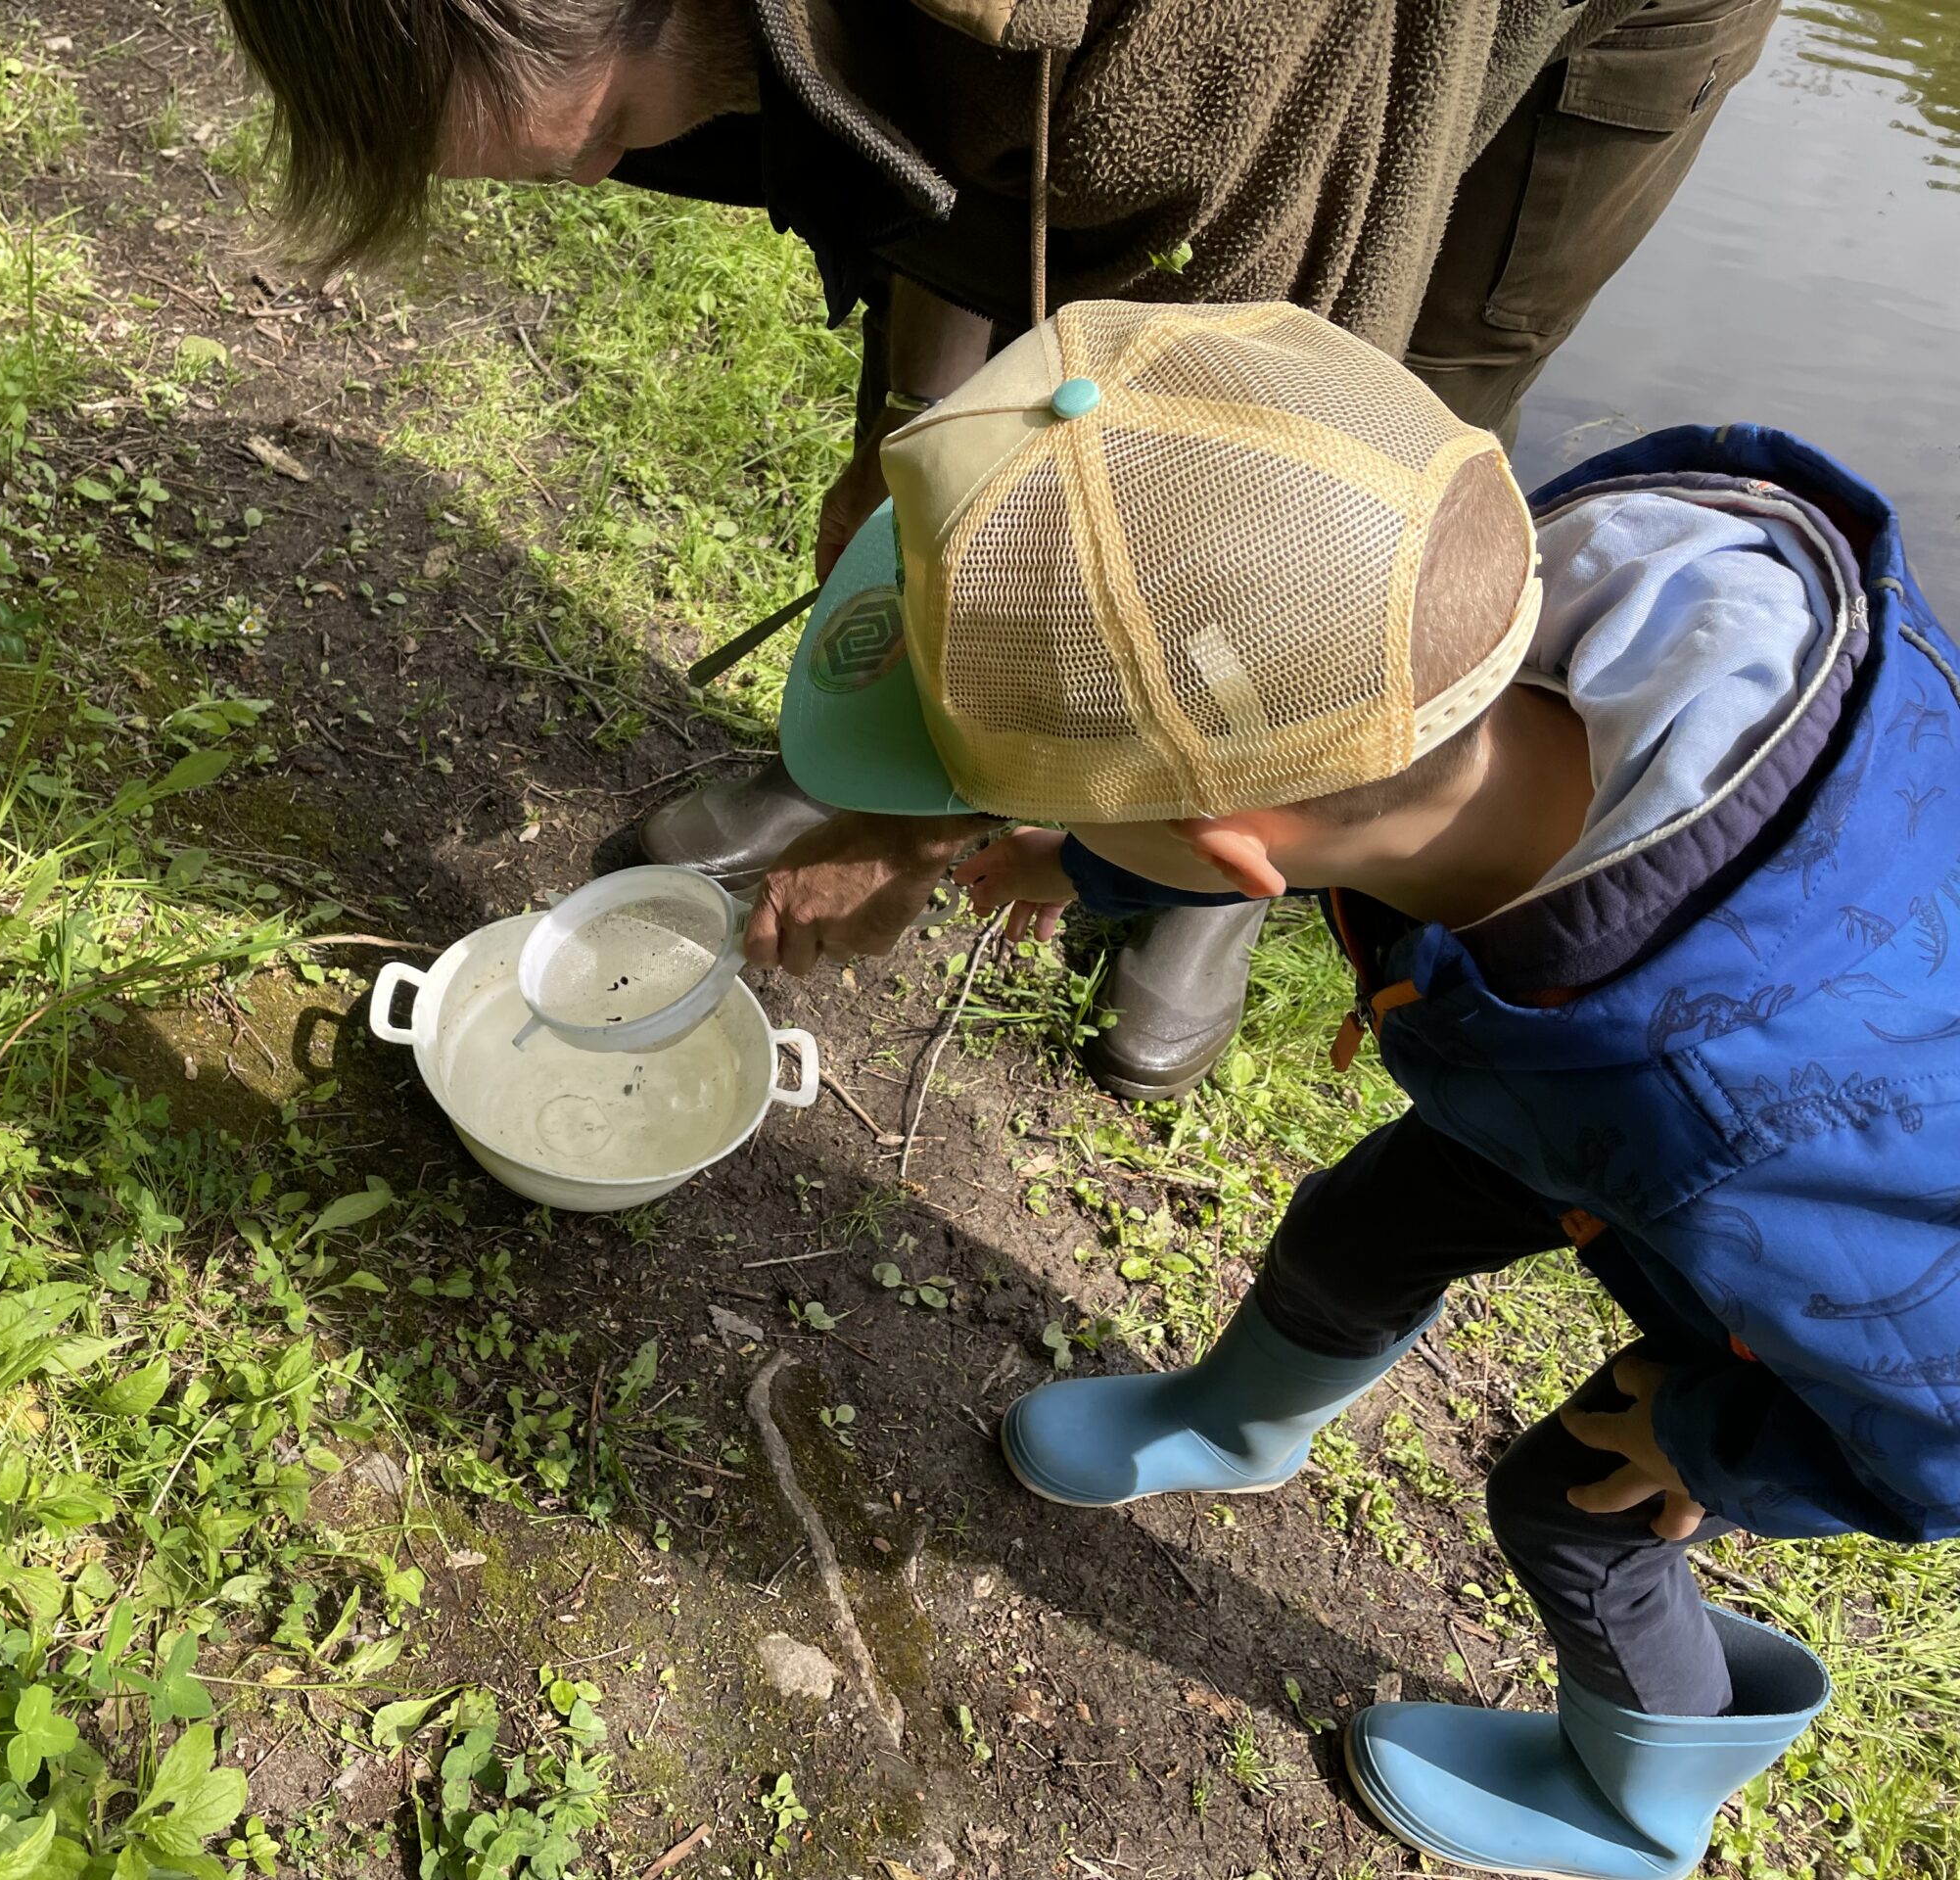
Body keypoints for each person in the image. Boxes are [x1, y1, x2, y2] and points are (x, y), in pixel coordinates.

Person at [766, 298, 1955, 1880]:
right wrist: (1085, 858)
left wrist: (1723, 1446)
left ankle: (1639, 1802)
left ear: (1225, 849)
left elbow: (1945, 1410)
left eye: (1060, 805)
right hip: (1573, 1051)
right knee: (1363, 1228)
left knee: (1579, 1506)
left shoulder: (1745, 1118)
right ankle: (1237, 1426)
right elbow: (1291, 766)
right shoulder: (1565, 586)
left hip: (1832, 1230)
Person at [218, 0, 1782, 1103]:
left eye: (599, 136)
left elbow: (1246, 471)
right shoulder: (928, 41)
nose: (576, 179)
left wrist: (931, 836)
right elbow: (956, 177)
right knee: (1033, 433)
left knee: (1383, 457)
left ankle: (1219, 874)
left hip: (1512, 52)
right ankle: (925, 742)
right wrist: (916, 436)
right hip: (1055, 66)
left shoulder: (1198, 48)